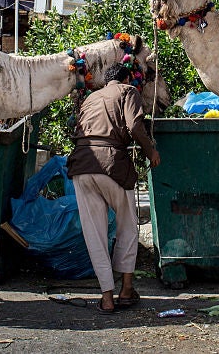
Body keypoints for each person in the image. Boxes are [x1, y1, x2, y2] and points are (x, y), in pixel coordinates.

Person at [67, 62, 161, 315]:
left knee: (94, 234)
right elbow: (134, 126)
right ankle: (127, 290)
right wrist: (150, 150)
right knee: (128, 226)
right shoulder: (128, 91)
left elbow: (75, 129)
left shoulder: (90, 97)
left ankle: (107, 298)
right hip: (112, 165)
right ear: (127, 77)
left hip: (82, 165)